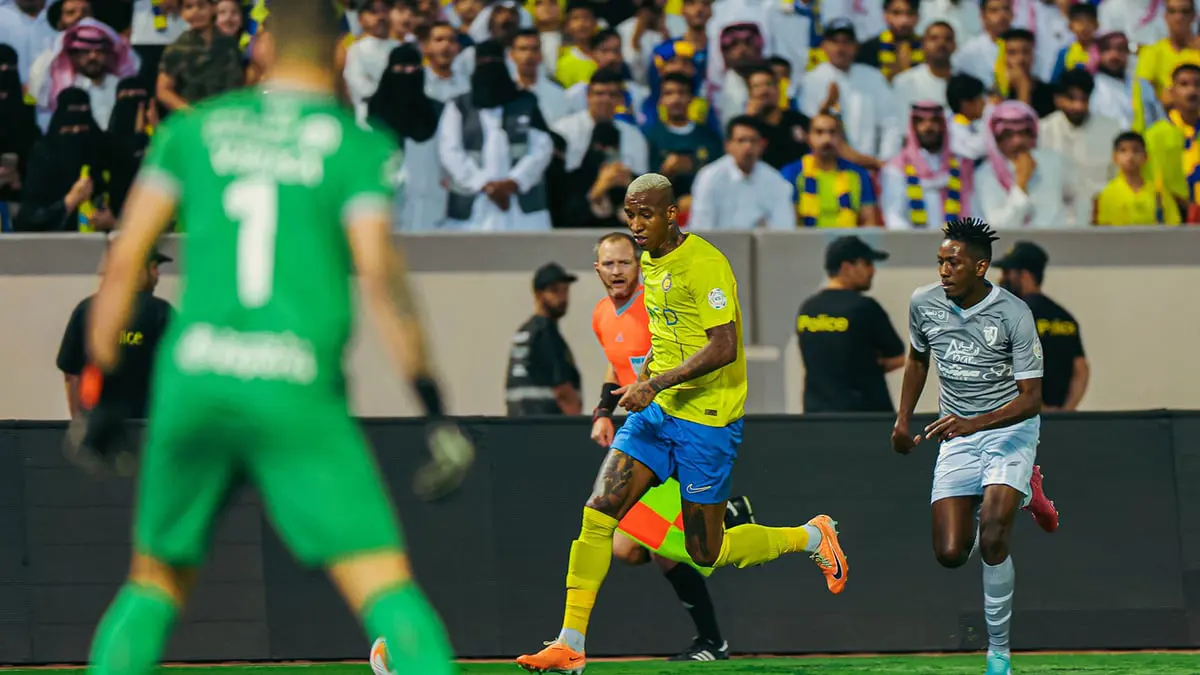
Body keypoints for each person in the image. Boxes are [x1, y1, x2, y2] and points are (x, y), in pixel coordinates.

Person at [75, 5, 474, 675]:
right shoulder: (355, 145)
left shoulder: (193, 131)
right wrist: (433, 405)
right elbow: (381, 278)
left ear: (261, 45)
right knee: (384, 585)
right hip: (294, 382)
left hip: (195, 378)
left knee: (152, 584)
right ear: (342, 52)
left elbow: (123, 260)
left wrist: (102, 392)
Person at [516, 173, 849, 675]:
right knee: (599, 510)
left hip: (707, 422)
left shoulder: (706, 263)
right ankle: (570, 643)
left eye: (644, 214)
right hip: (657, 415)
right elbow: (667, 337)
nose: (636, 225)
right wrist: (639, 381)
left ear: (672, 213)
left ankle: (810, 536)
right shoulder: (650, 261)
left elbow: (724, 345)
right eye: (629, 215)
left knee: (705, 552)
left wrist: (655, 381)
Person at [891, 217, 1060, 675]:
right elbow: (917, 359)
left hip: (1008, 429)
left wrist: (974, 423)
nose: (944, 270)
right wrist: (903, 419)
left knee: (993, 537)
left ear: (980, 267)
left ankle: (999, 651)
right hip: (957, 433)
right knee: (950, 553)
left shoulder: (1014, 314)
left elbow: (1031, 399)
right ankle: (1027, 488)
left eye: (954, 262)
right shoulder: (924, 303)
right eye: (941, 261)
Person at [589, 231, 755, 662]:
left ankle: (712, 635)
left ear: (638, 265)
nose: (617, 271)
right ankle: (713, 639)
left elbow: (699, 348)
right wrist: (603, 411)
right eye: (608, 264)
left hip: (676, 428)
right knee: (637, 549)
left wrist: (659, 389)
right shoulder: (602, 315)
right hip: (648, 427)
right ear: (597, 269)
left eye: (624, 262)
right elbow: (617, 364)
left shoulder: (655, 304)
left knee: (639, 545)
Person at [58, 244, 173, 422]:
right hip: (147, 430)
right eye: (154, 267)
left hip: (97, 432)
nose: (158, 275)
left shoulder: (87, 310)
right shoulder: (162, 313)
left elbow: (71, 374)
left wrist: (78, 424)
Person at [796, 236, 905, 413]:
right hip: (864, 419)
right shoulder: (864, 307)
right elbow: (897, 358)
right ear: (847, 267)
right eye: (867, 264)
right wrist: (867, 364)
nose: (873, 271)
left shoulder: (808, 309)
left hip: (816, 418)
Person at [994, 241, 1089, 411]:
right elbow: (1081, 370)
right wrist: (1065, 411)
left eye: (1007, 273)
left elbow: (1004, 368)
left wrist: (1038, 409)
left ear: (1024, 275)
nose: (1001, 279)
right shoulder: (1064, 318)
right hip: (1059, 424)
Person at [882, 101, 976, 229]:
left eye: (934, 121)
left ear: (943, 125)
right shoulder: (897, 168)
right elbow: (893, 216)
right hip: (914, 243)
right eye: (921, 121)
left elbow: (973, 210)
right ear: (913, 126)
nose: (928, 126)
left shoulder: (960, 164)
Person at [504, 262, 582, 416]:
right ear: (539, 295)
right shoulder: (545, 331)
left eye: (565, 290)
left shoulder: (526, 331)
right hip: (546, 425)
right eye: (554, 291)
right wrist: (576, 425)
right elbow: (562, 390)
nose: (562, 297)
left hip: (520, 423)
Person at [1095, 131, 1182, 226]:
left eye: (1136, 151)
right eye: (1123, 151)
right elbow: (1104, 229)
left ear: (1145, 157)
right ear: (1115, 158)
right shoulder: (1108, 194)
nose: (1130, 156)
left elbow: (1174, 225)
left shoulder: (1159, 193)